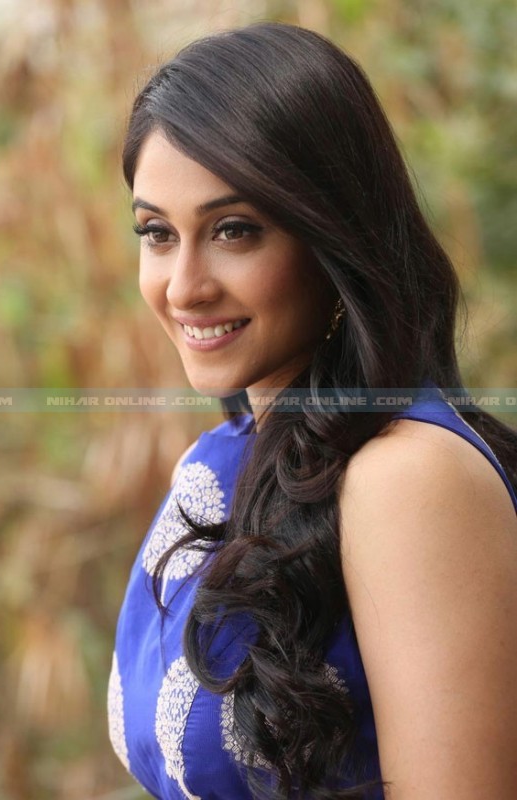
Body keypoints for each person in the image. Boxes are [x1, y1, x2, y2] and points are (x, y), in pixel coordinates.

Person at [107, 22, 517, 800]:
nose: (184, 286)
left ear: (330, 235)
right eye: (156, 233)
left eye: (233, 231)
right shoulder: (218, 465)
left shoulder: (408, 478)